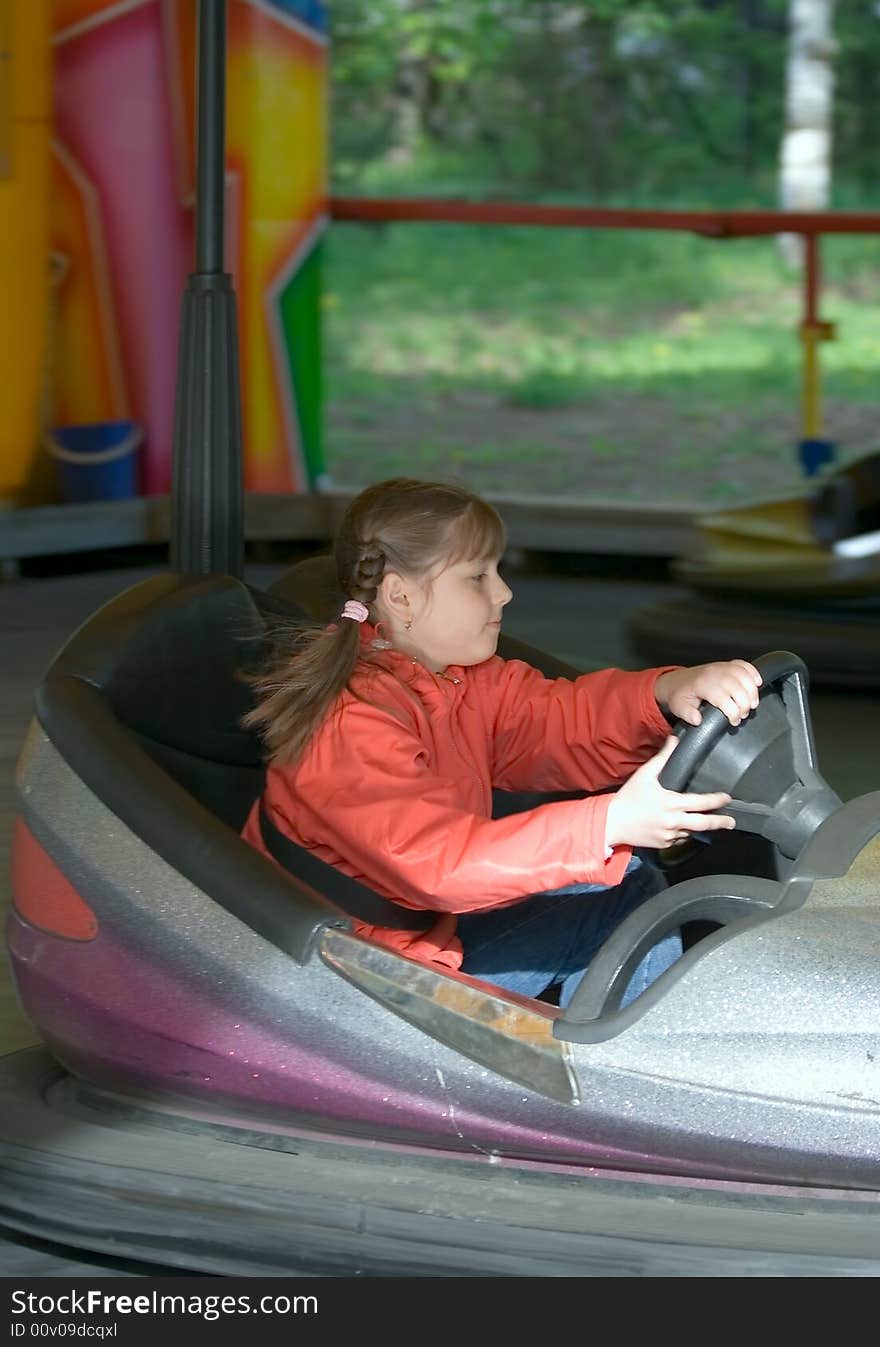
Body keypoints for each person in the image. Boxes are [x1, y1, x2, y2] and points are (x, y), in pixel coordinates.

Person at [241, 478, 761, 1010]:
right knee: (626, 899)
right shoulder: (351, 720)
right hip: (358, 980)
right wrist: (608, 823)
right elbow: (437, 862)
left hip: (416, 932)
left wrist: (663, 691)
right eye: (477, 577)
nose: (504, 592)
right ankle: (626, 1072)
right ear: (401, 596)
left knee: (624, 878)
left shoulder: (454, 680)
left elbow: (558, 721)